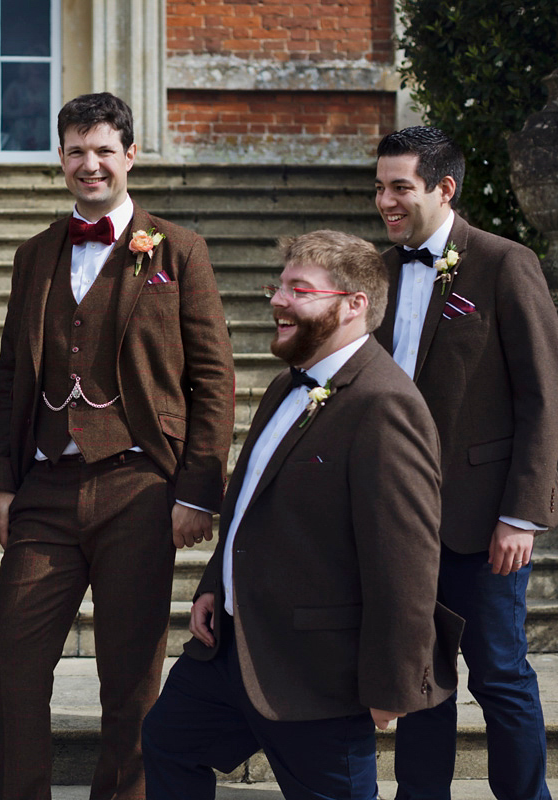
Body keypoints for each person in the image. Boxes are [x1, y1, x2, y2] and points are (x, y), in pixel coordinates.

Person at [0, 91, 236, 800]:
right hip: (46, 488)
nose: (88, 165)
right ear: (59, 158)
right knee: (11, 656)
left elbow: (214, 378)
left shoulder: (178, 249)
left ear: (130, 155)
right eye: (75, 151)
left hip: (140, 486)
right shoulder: (35, 255)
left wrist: (198, 490)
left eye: (102, 151)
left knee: (130, 676)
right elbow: (11, 378)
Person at [141, 229, 461, 800]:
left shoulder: (384, 404)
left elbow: (407, 562)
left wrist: (393, 681)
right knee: (167, 741)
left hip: (319, 671)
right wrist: (216, 584)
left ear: (353, 304)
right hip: (232, 650)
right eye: (278, 286)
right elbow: (247, 500)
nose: (277, 301)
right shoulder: (287, 386)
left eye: (298, 290)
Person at [374, 126, 558, 800]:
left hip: (486, 523)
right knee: (418, 678)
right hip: (399, 519)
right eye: (380, 187)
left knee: (499, 675)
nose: (386, 200)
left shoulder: (503, 262)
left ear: (443, 188)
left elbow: (543, 395)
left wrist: (522, 512)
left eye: (400, 187)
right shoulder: (380, 270)